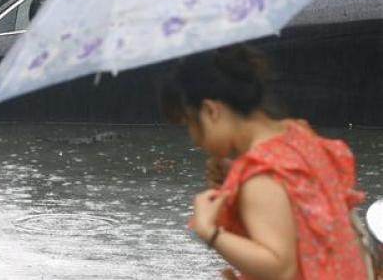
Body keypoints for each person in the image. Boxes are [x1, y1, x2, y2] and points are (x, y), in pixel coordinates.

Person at [159, 44, 370, 280]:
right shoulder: (297, 136)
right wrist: (236, 182)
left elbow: (280, 268)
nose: (195, 139)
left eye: (190, 124)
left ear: (211, 111)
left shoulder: (260, 174)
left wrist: (209, 231)